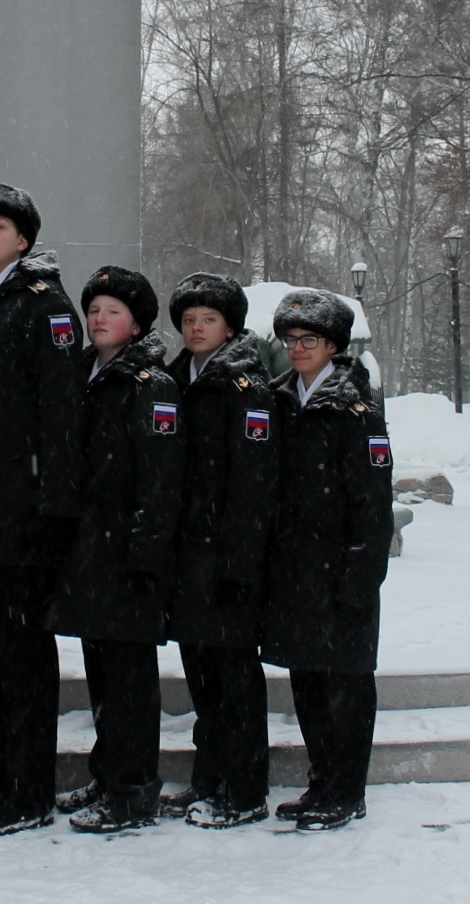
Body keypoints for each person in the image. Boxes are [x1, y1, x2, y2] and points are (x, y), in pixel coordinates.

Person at [0, 182, 86, 836]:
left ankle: (31, 791)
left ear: (23, 241)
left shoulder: (44, 305)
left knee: (24, 658)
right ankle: (4, 779)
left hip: (25, 514)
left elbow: (62, 411)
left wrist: (54, 506)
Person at [50, 266, 184, 833]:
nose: (99, 319)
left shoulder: (151, 385)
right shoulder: (82, 373)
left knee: (130, 682)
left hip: (128, 555)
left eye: (113, 312)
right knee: (103, 675)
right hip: (89, 552)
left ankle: (133, 791)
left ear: (136, 325)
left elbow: (161, 478)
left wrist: (144, 554)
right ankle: (108, 776)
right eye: (94, 310)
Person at [261, 289, 394, 831]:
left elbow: (373, 506)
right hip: (294, 572)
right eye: (290, 339)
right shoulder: (278, 401)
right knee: (308, 684)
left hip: (340, 573)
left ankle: (346, 791)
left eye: (309, 339)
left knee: (346, 687)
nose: (298, 348)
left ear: (334, 345)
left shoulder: (357, 410)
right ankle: (322, 782)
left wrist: (361, 578)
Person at [162, 273, 280, 828]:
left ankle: (246, 789)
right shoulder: (175, 380)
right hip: (187, 555)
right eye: (188, 320)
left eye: (208, 320)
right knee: (201, 675)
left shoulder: (247, 388)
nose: (196, 328)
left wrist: (240, 560)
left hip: (228, 557)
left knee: (235, 678)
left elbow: (255, 482)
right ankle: (209, 778)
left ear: (230, 328)